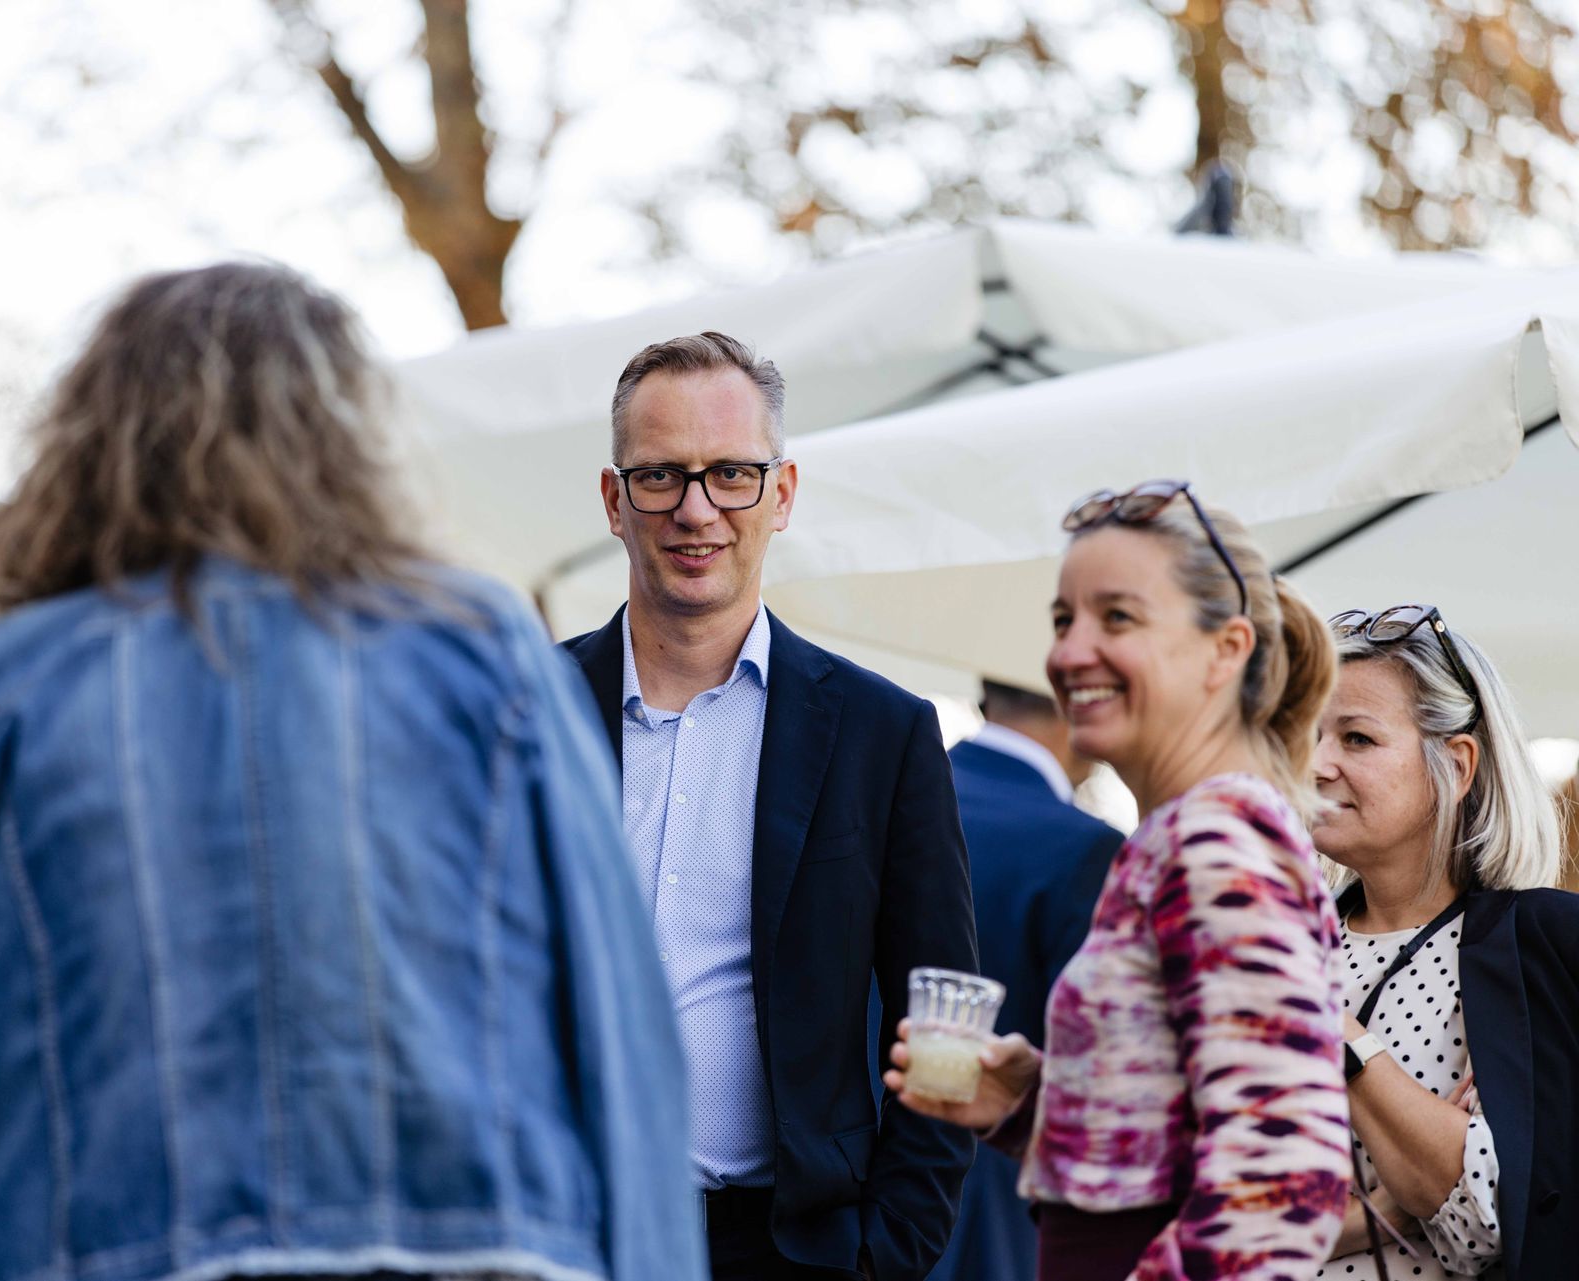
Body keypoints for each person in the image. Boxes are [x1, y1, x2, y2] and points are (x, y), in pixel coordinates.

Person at [0, 263, 703, 1281]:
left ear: (96, 447)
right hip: (480, 1246)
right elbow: (621, 1025)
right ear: (345, 437)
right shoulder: (485, 650)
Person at [560, 332, 977, 1281]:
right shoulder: (522, 713)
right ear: (614, 501)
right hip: (562, 1238)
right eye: (660, 475)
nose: (696, 508)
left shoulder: (882, 734)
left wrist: (889, 1250)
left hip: (794, 1250)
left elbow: (943, 1016)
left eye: (731, 474)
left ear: (781, 494)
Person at [885, 479, 1351, 1280]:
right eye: (1063, 620)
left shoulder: (1216, 841)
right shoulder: (1181, 837)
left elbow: (1281, 1189)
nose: (1069, 653)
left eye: (1118, 618)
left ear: (1226, 649)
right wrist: (1040, 1101)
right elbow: (1176, 1148)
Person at [1310, 604, 1575, 1281]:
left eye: (1357, 738)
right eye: (1308, 735)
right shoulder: (1267, 949)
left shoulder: (1539, 947)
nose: (1315, 764)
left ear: (1455, 766)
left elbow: (1486, 1222)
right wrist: (1389, 1207)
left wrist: (1331, 1023)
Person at [929, 681, 1121, 1281]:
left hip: (832, 1201)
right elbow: (1096, 1068)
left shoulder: (889, 795)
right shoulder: (1083, 846)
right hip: (993, 1210)